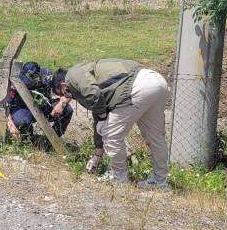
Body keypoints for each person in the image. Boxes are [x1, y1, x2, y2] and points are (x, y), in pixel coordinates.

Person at [51, 59, 169, 188]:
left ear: (62, 86)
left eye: (63, 94)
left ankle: (118, 179)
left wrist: (103, 117)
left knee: (112, 136)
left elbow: (93, 95)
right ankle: (160, 181)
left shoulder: (73, 75)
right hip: (157, 81)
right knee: (156, 138)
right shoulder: (89, 72)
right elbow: (97, 112)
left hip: (136, 86)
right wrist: (98, 154)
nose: (68, 97)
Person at [5, 61, 74, 140]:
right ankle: (28, 140)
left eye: (33, 83)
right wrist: (10, 124)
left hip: (43, 106)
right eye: (28, 84)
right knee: (22, 121)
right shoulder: (16, 83)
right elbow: (5, 105)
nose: (31, 84)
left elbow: (72, 89)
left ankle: (52, 140)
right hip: (23, 108)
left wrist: (62, 104)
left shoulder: (50, 76)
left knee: (67, 110)